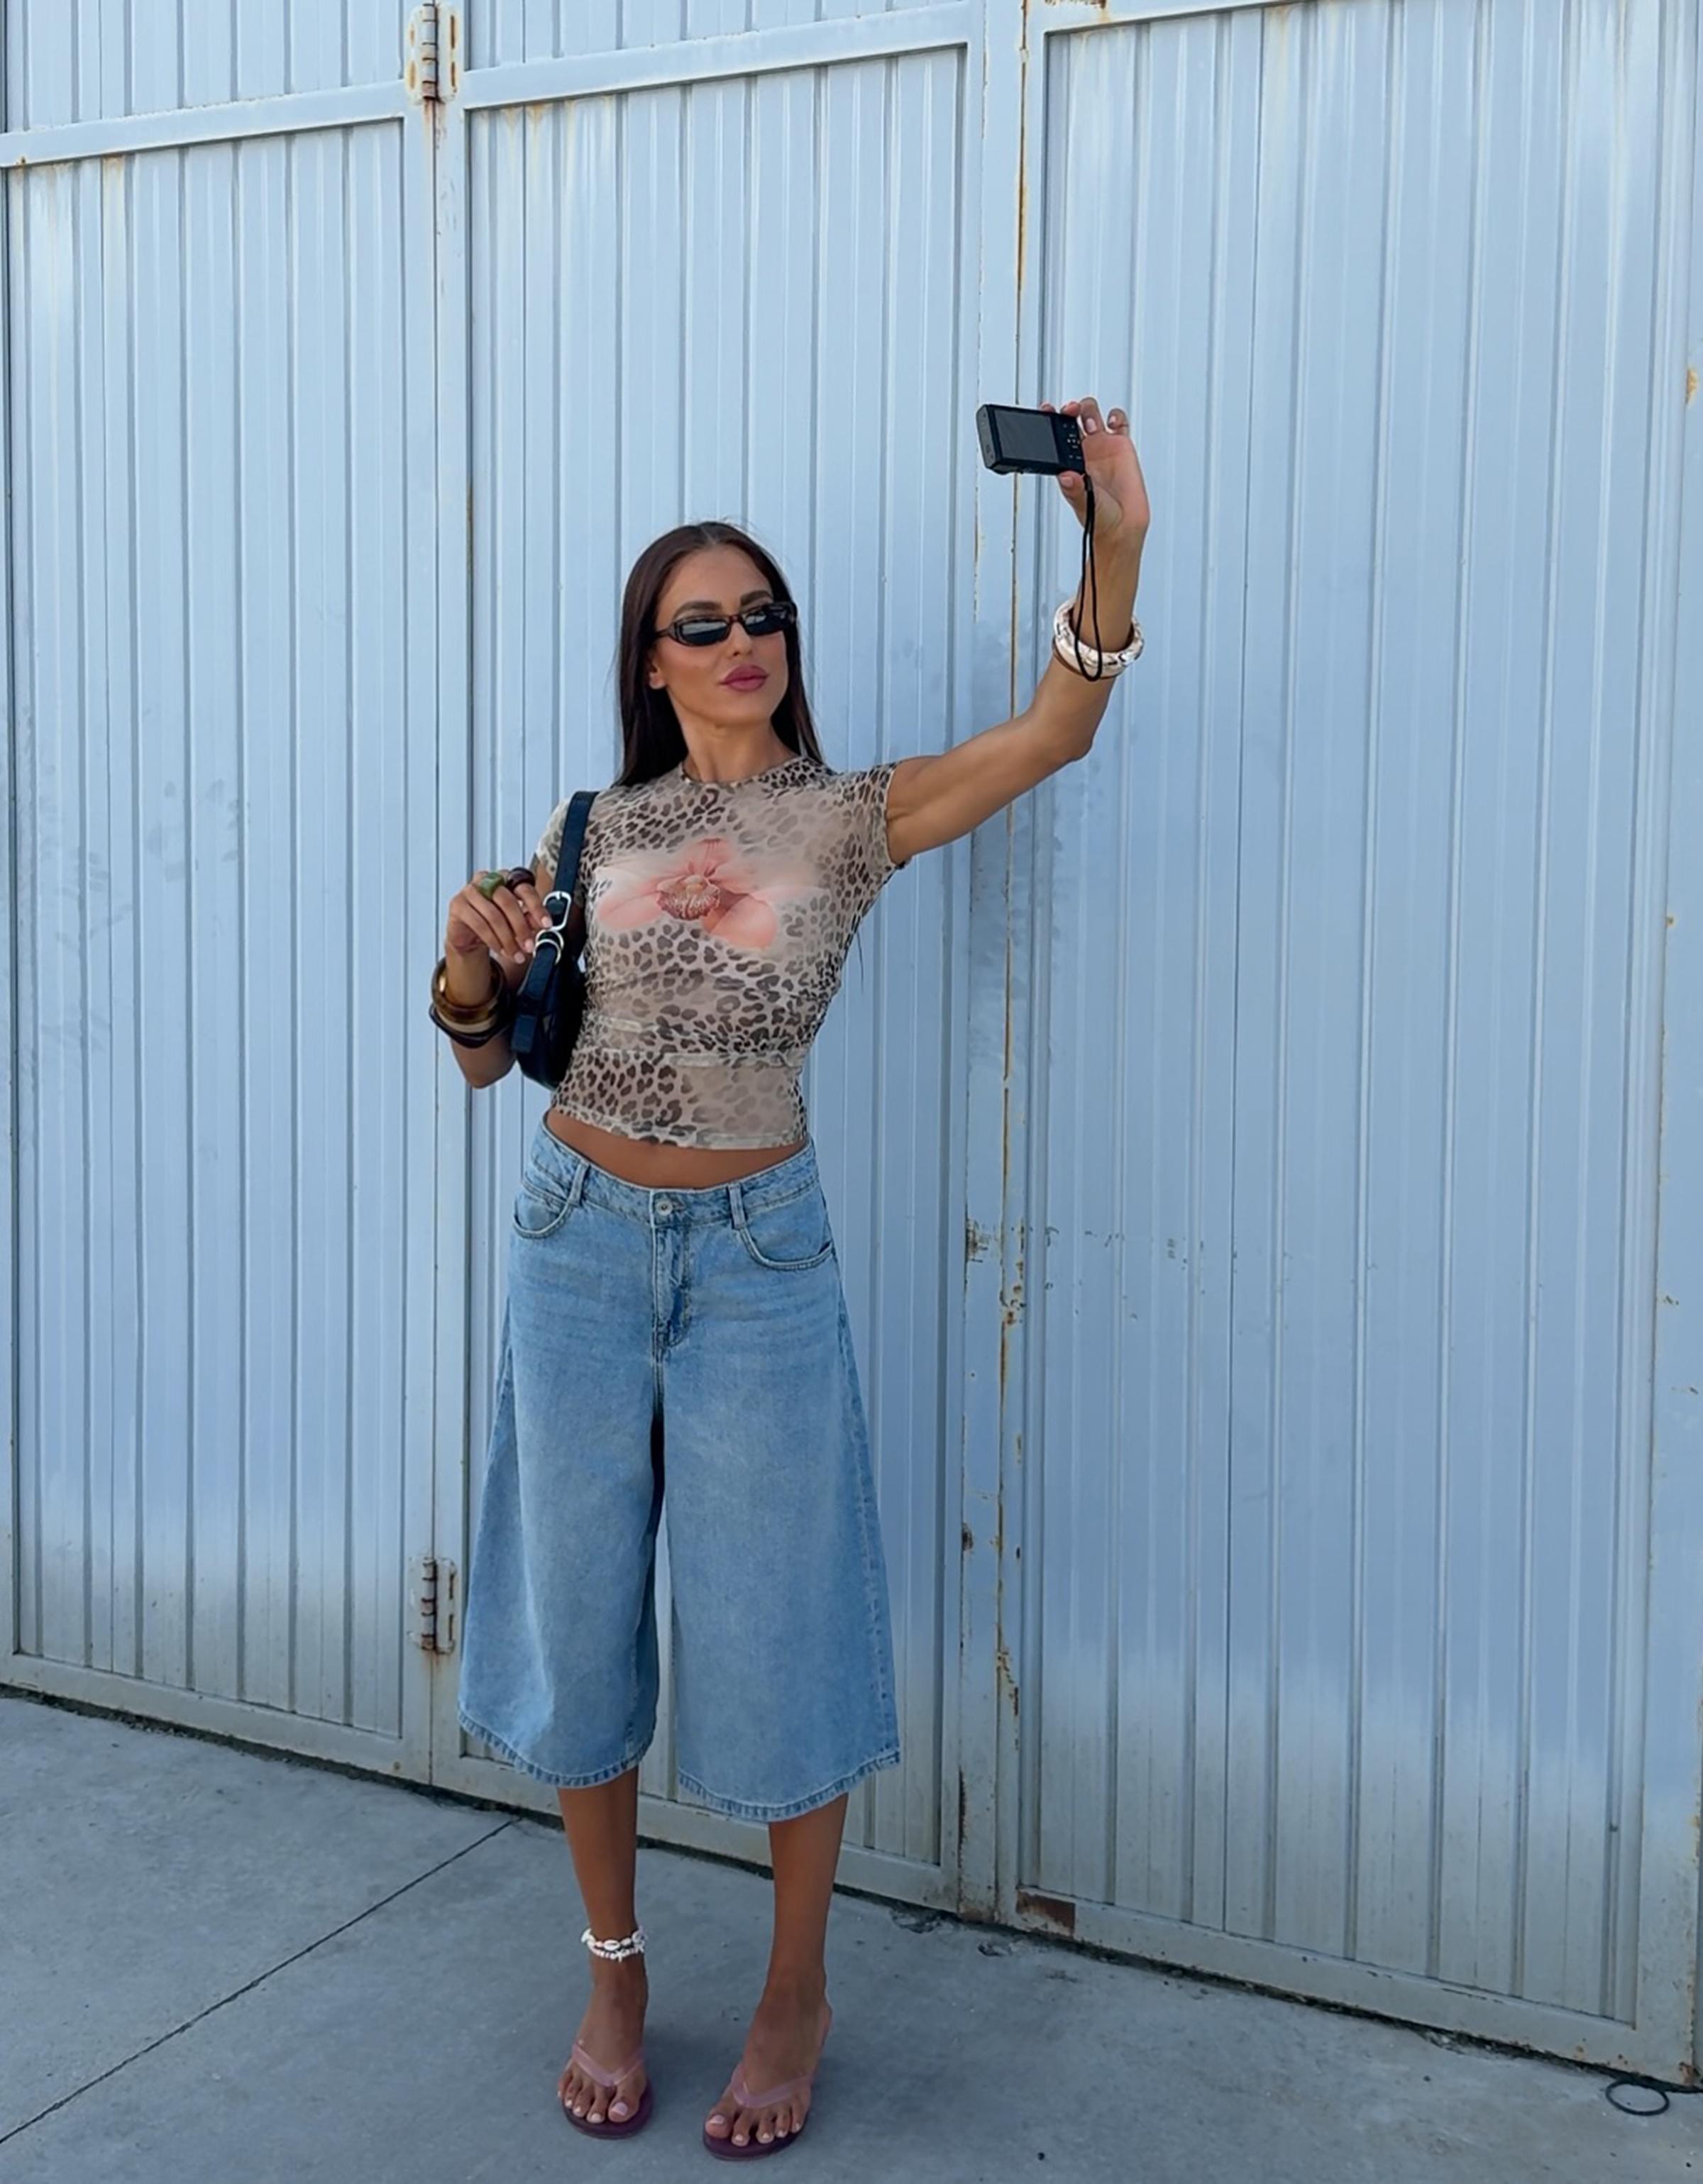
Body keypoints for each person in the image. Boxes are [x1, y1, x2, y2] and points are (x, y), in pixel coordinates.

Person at [429, 395, 1147, 2159]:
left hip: (758, 1261)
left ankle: (793, 1992)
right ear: (652, 660)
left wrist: (1114, 544)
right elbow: (488, 1056)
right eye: (705, 623)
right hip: (576, 1247)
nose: (743, 641)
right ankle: (614, 1973)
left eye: (764, 615)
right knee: (579, 1619)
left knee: (779, 1627)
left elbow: (1056, 728)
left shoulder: (849, 818)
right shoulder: (587, 832)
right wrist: (463, 968)